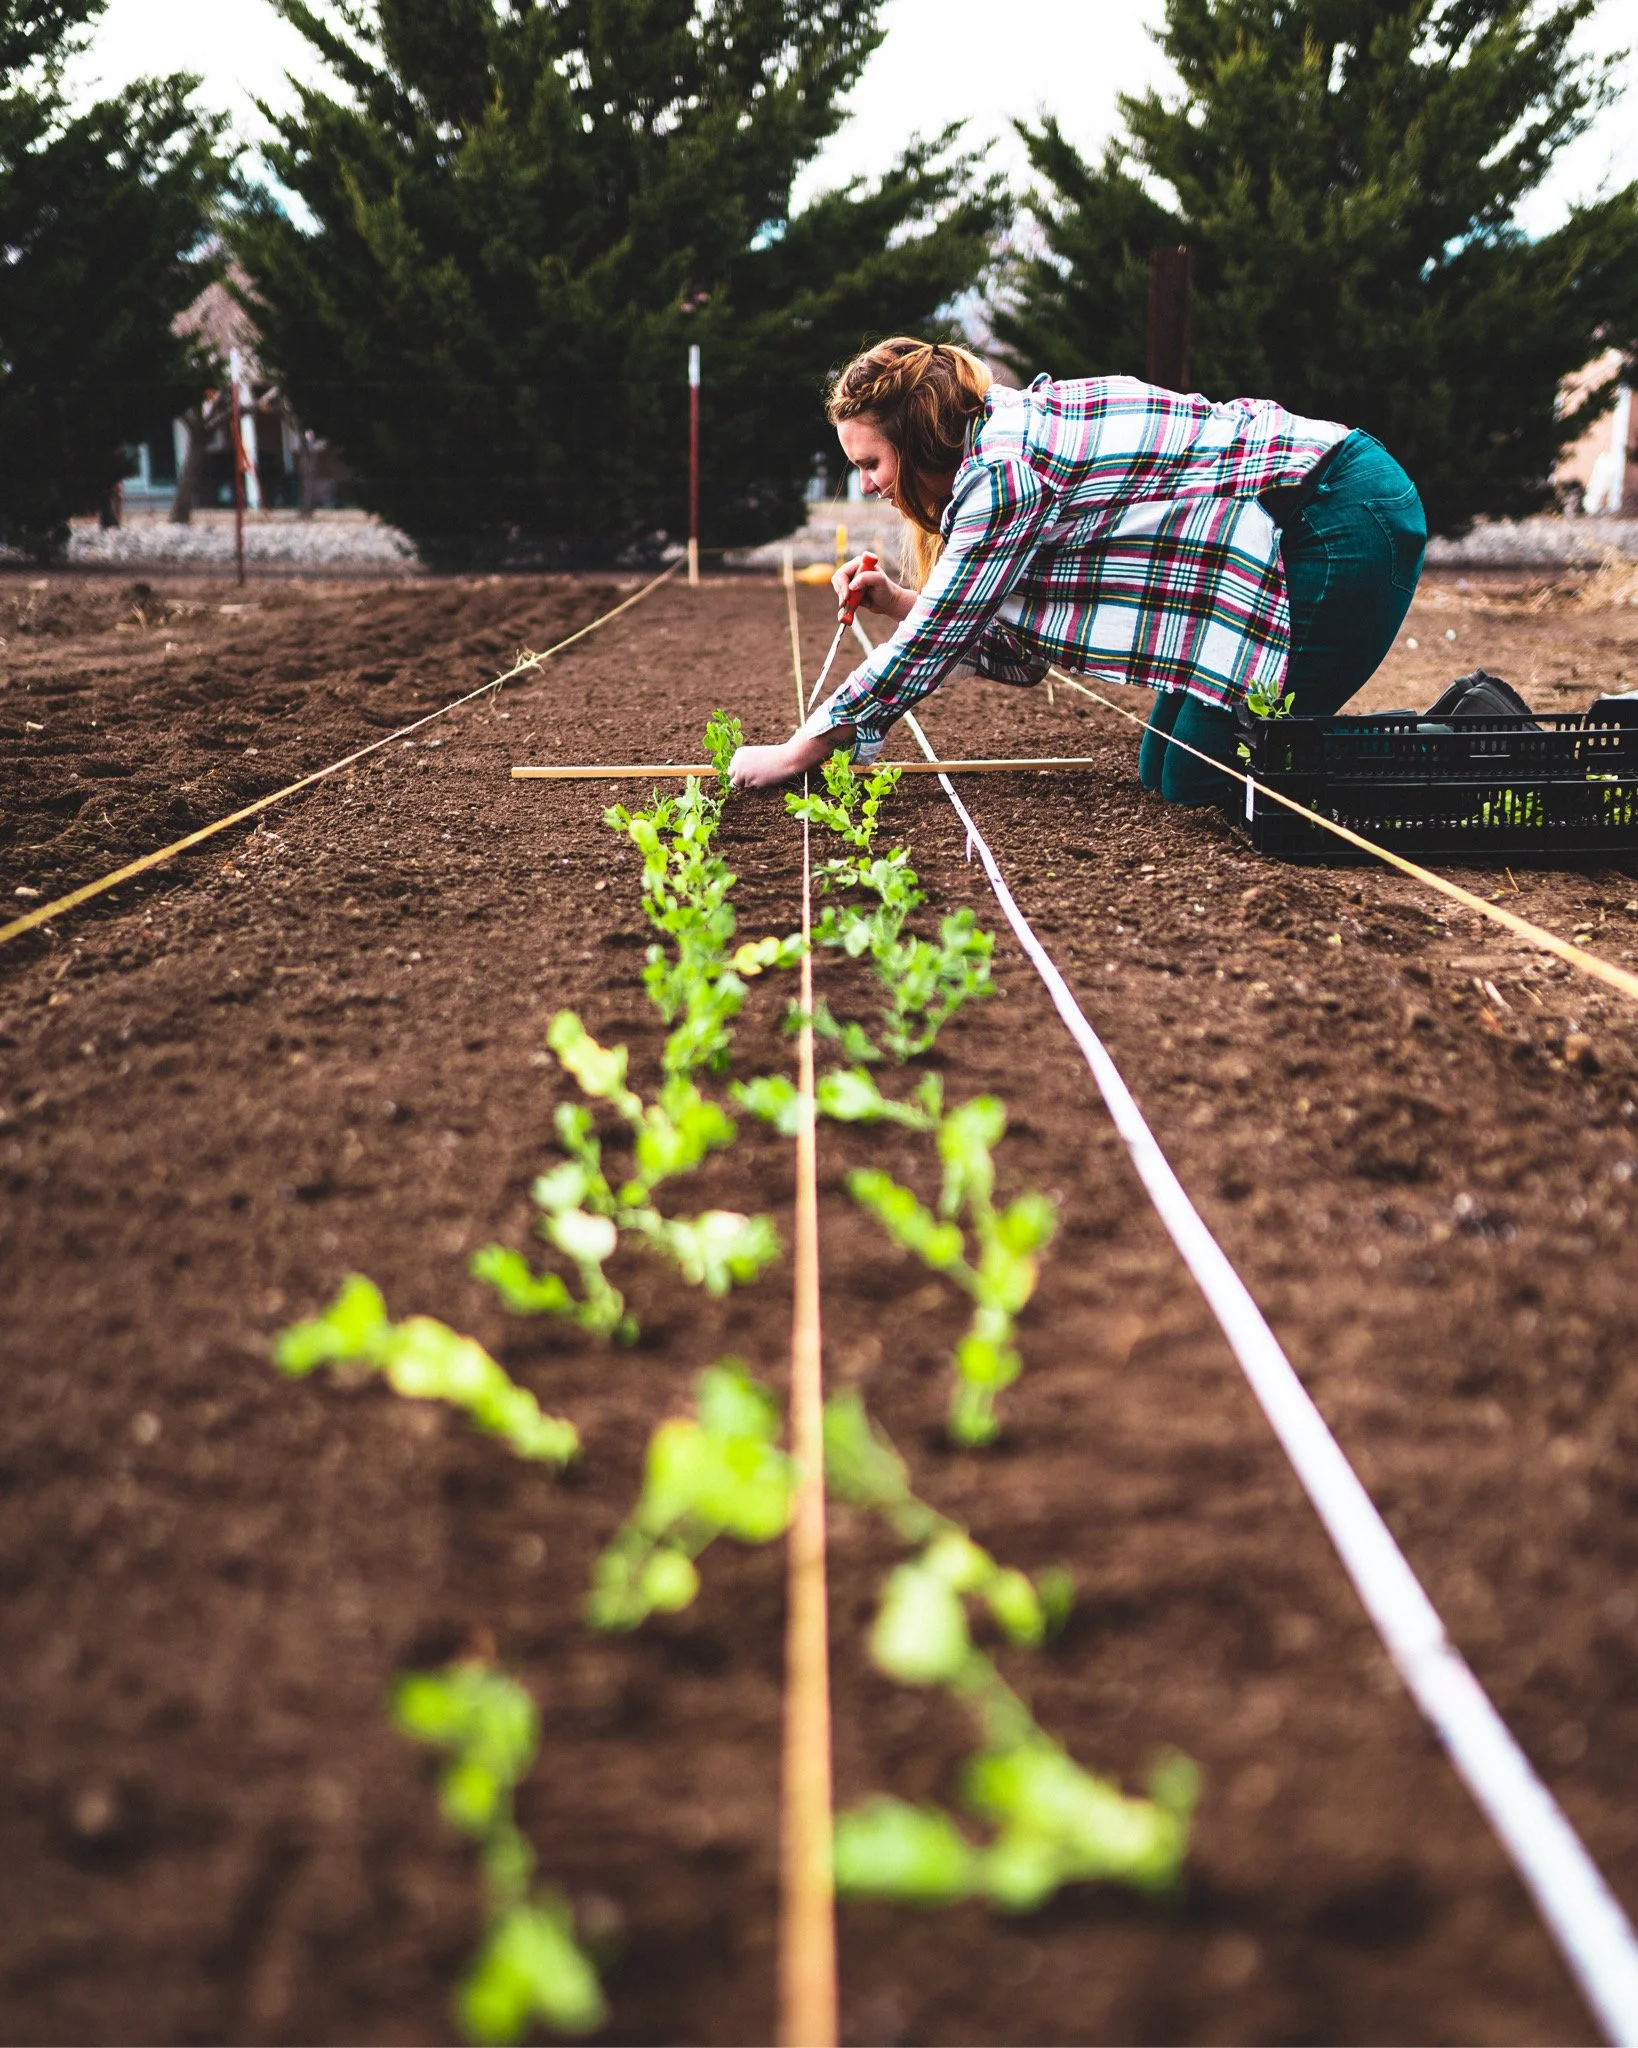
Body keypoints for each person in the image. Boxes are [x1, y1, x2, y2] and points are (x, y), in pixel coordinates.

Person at [728, 337, 1426, 800]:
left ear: (916, 441)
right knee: (1165, 767)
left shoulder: (1004, 473)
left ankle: (1458, 745)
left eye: (871, 464)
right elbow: (1007, 642)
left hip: (1337, 516)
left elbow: (931, 646)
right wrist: (904, 602)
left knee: (1205, 776)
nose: (870, 484)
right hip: (1275, 540)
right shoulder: (995, 448)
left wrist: (796, 752)